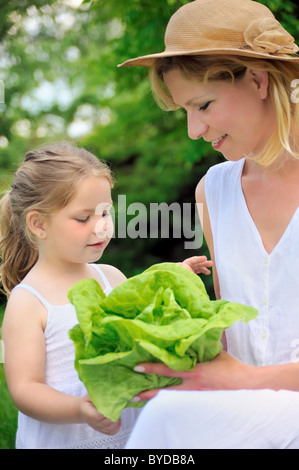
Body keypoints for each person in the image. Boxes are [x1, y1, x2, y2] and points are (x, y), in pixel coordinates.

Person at [118, 0, 299, 448]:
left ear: (257, 79)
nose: (193, 130)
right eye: (184, 111)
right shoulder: (212, 192)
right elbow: (233, 327)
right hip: (247, 415)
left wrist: (245, 381)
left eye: (202, 105)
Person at [0, 142, 210, 449]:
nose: (101, 227)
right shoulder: (28, 302)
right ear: (38, 223)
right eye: (83, 218)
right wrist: (77, 409)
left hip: (127, 439)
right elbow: (25, 390)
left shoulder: (109, 276)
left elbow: (140, 313)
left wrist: (173, 276)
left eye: (105, 213)